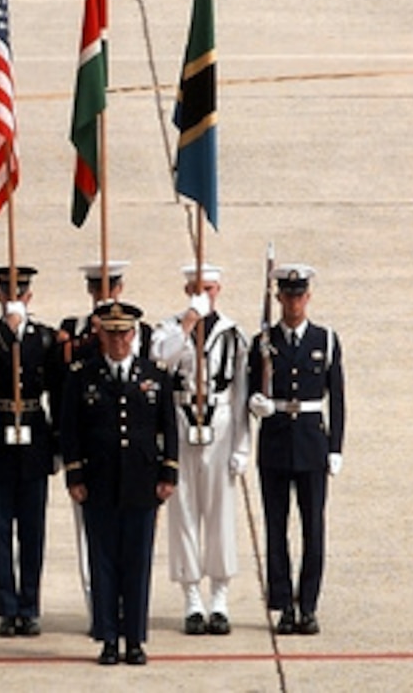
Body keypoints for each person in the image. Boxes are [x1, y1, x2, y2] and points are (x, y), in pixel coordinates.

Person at [60, 301, 178, 666]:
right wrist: (75, 475)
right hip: (99, 481)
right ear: (100, 335)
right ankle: (108, 637)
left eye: (124, 334)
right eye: (110, 334)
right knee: (104, 562)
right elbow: (71, 429)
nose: (118, 341)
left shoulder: (154, 374)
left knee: (137, 563)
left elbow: (169, 429)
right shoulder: (82, 374)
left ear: (134, 334)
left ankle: (135, 639)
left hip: (142, 482)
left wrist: (168, 472)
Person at [151, 263, 250, 635]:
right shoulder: (170, 328)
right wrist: (190, 320)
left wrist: (242, 445)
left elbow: (240, 393)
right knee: (184, 513)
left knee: (220, 514)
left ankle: (220, 598)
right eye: (195, 288)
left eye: (208, 288)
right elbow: (161, 359)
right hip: (180, 424)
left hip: (220, 427)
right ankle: (192, 598)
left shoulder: (233, 335)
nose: (202, 294)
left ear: (219, 289)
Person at [247, 263, 345, 636]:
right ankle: (283, 605)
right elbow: (251, 388)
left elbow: (336, 397)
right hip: (274, 442)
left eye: (299, 295)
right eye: (287, 296)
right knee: (275, 528)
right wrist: (257, 403)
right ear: (278, 298)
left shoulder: (326, 340)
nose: (294, 302)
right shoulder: (264, 342)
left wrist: (335, 446)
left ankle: (309, 605)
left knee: (313, 528)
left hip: (310, 442)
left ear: (308, 297)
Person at [56, 260, 152, 629]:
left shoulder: (140, 330)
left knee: (133, 549)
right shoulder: (71, 331)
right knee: (93, 546)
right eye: (98, 288)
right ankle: (100, 613)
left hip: (133, 468)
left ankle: (128, 621)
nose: (104, 294)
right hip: (95, 463)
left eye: (111, 286)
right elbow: (64, 381)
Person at [0, 265, 61, 637]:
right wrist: (8, 332)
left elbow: (55, 387)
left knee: (33, 530)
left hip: (34, 433)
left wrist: (57, 444)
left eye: (19, 295)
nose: (14, 300)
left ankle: (30, 604)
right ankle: (6, 607)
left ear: (29, 297)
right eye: (7, 295)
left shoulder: (47, 338)